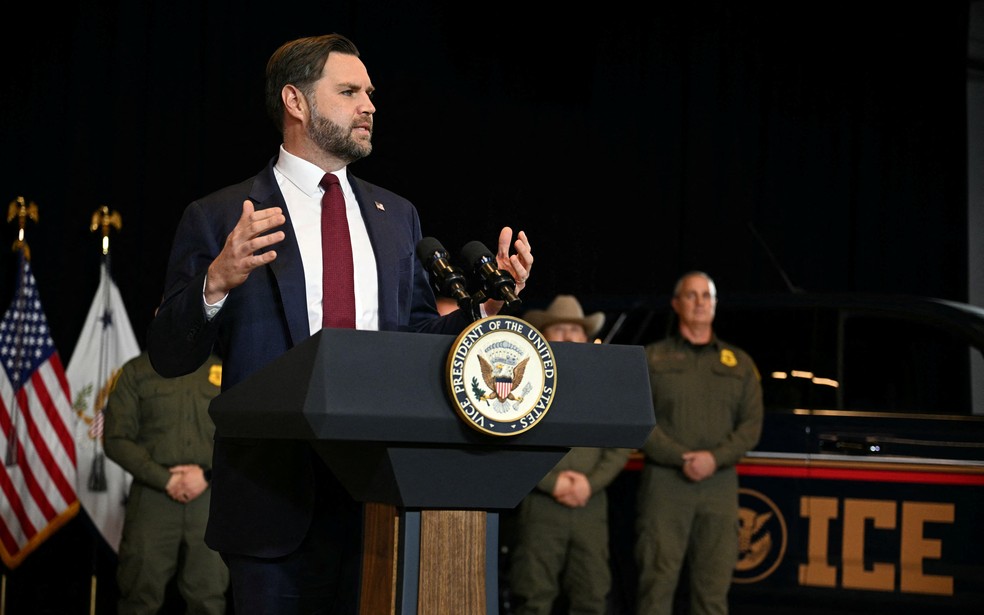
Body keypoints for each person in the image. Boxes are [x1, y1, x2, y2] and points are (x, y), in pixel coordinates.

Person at [146, 33, 533, 615]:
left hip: (383, 498)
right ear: (295, 102)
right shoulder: (222, 215)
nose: (369, 106)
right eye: (349, 91)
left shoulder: (398, 216)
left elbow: (417, 339)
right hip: (274, 505)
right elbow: (170, 355)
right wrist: (216, 283)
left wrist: (485, 314)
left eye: (370, 93)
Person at [634, 271, 763, 615]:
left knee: (713, 589)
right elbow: (639, 420)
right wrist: (680, 457)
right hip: (664, 484)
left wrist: (713, 458)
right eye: (691, 296)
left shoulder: (740, 364)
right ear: (676, 304)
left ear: (715, 305)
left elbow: (751, 426)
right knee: (656, 585)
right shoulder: (652, 359)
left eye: (706, 296)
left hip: (719, 484)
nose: (700, 302)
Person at [507, 295, 633, 615]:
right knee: (533, 597)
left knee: (591, 596)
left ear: (586, 338)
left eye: (575, 330)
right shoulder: (525, 386)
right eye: (559, 329)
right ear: (544, 337)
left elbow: (619, 444)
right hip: (540, 506)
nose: (567, 337)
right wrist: (551, 483)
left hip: (590, 504)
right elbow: (514, 442)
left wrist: (590, 484)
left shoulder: (604, 388)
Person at [103, 351, 228, 615]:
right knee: (138, 597)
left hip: (210, 502)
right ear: (156, 317)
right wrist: (166, 479)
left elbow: (242, 437)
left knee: (209, 598)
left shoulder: (225, 369)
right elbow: (116, 439)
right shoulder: (136, 371)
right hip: (152, 499)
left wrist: (206, 476)